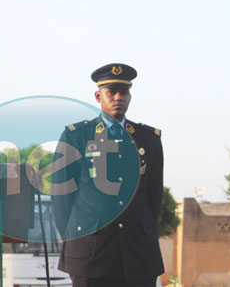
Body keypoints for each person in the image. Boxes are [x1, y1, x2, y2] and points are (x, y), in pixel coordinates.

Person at [52, 63, 164, 287]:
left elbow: (154, 198)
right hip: (91, 256)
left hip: (138, 255)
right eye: (111, 92)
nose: (118, 97)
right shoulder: (77, 137)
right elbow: (62, 198)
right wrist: (77, 238)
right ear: (98, 96)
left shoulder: (148, 139)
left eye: (123, 92)